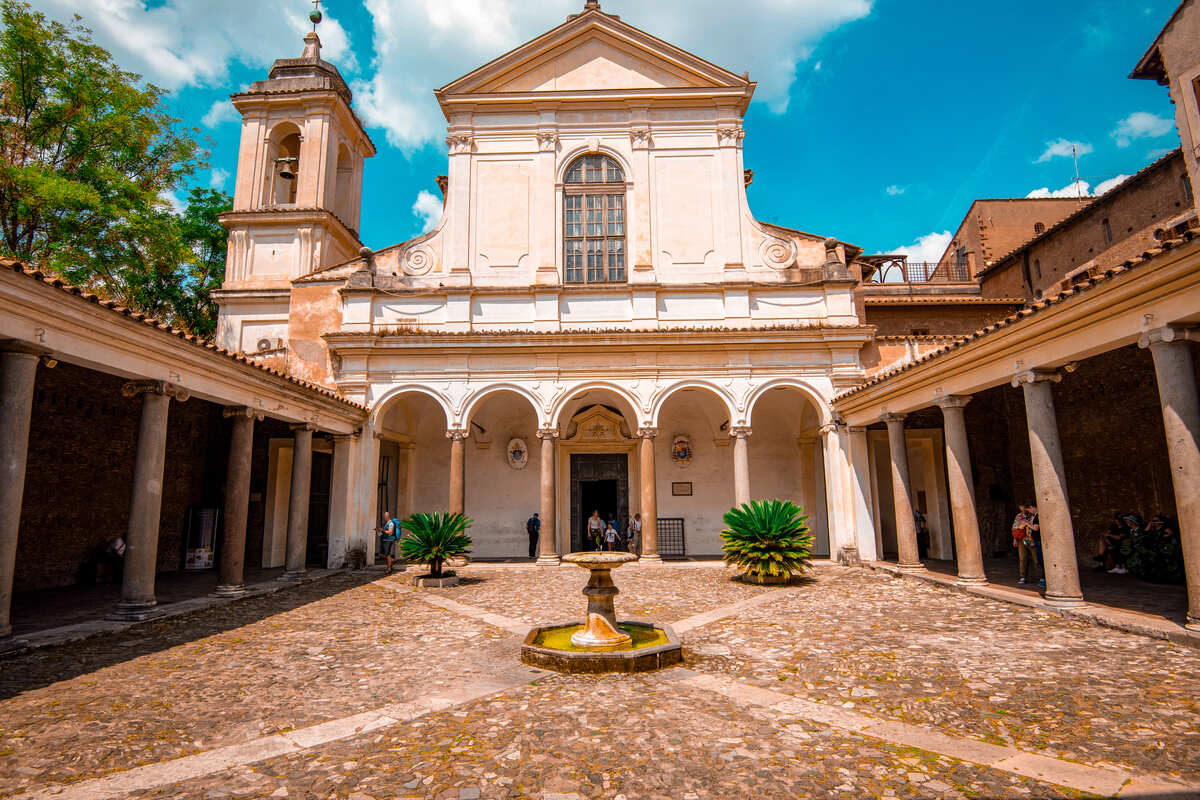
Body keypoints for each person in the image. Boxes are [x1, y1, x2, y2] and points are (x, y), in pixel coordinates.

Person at [1012, 504, 1040, 585]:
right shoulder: (1019, 516)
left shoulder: (1033, 515)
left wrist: (1026, 524)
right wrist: (1015, 539)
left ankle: (1040, 577)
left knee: (1036, 559)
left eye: (1024, 506)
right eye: (1020, 507)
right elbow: (1015, 528)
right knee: (1023, 559)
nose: (1022, 508)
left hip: (1032, 539)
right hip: (1022, 539)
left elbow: (1035, 527)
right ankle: (1023, 576)